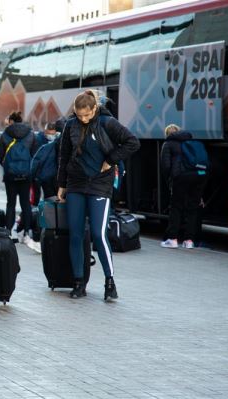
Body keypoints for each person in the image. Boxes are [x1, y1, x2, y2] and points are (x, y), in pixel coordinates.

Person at [57, 90, 140, 301]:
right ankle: (78, 282)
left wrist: (111, 159)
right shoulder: (70, 125)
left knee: (98, 234)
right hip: (76, 184)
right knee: (75, 234)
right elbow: (64, 155)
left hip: (100, 185)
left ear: (94, 109)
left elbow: (132, 142)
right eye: (79, 115)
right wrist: (61, 185)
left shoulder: (107, 123)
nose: (83, 119)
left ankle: (110, 281)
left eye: (86, 115)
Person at [0, 111, 40, 252]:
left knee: (11, 203)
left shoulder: (5, 135)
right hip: (26, 175)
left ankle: (9, 231)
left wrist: (9, 167)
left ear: (11, 122)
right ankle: (26, 232)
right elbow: (35, 154)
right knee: (25, 203)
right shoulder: (31, 134)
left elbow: (0, 154)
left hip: (10, 176)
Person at [160, 124, 208, 249]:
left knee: (176, 208)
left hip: (180, 177)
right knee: (192, 208)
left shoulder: (168, 144)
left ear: (167, 134)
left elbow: (166, 166)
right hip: (199, 175)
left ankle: (172, 239)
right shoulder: (190, 142)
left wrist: (169, 182)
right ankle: (189, 241)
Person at [31, 121, 64, 198]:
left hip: (52, 176)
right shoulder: (38, 140)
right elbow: (36, 158)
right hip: (47, 176)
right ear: (45, 131)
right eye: (49, 134)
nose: (51, 136)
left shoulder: (52, 145)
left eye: (53, 134)